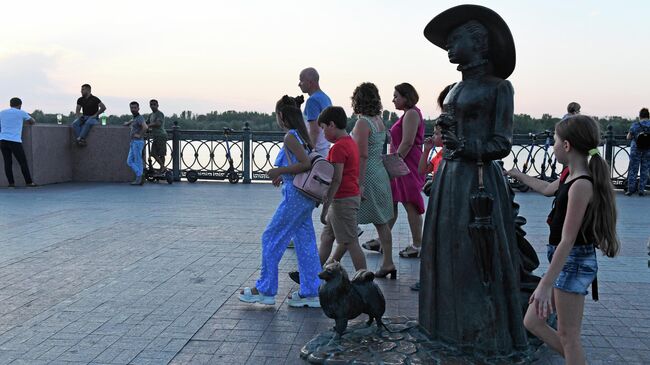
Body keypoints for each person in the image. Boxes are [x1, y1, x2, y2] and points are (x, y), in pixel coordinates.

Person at [420, 5, 529, 354]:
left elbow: (502, 143)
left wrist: (466, 146)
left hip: (477, 182)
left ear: (479, 43)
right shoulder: (452, 89)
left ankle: (482, 333)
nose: (450, 47)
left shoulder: (499, 88)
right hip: (450, 180)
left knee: (476, 259)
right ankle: (445, 327)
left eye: (456, 39)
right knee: (447, 253)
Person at [508, 115, 620, 364]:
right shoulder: (569, 175)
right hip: (565, 262)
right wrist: (518, 174)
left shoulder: (581, 184)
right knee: (533, 321)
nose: (553, 146)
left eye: (556, 141)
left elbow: (568, 240)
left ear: (567, 146)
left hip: (574, 262)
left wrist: (544, 284)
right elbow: (546, 188)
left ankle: (576, 359)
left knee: (569, 336)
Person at [239, 96, 321, 308]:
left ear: (282, 116)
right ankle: (312, 291)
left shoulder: (290, 137)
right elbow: (304, 162)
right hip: (305, 198)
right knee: (305, 242)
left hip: (294, 198)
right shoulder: (302, 136)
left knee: (270, 237)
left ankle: (265, 290)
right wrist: (282, 175)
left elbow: (303, 164)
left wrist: (279, 171)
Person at [374, 83, 426, 259]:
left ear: (406, 97)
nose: (393, 99)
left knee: (410, 204)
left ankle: (418, 245)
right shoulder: (408, 114)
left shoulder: (411, 113)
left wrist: (395, 161)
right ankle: (382, 239)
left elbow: (408, 142)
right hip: (405, 162)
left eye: (396, 96)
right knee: (394, 201)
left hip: (408, 164)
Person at [349, 83, 395, 279]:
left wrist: (359, 184)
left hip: (367, 175)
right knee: (381, 221)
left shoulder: (363, 123)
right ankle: (388, 263)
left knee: (346, 220)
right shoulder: (379, 121)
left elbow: (362, 155)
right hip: (380, 174)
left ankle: (331, 263)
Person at [317, 106, 367, 272]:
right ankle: (313, 272)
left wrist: (325, 205)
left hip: (342, 200)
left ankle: (364, 279)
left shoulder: (338, 147)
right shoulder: (350, 143)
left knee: (351, 242)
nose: (323, 133)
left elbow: (336, 179)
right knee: (327, 237)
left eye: (323, 128)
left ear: (332, 125)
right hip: (348, 197)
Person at [0, 98, 37, 188]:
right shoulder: (21, 112)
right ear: (20, 105)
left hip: (3, 140)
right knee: (22, 162)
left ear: (10, 104)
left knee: (7, 162)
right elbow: (32, 121)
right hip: (15, 141)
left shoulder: (2, 113)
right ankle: (29, 182)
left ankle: (11, 184)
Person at [298, 67, 332, 156]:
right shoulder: (326, 98)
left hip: (317, 151)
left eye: (301, 81)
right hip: (326, 149)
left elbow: (314, 130)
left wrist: (308, 151)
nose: (299, 84)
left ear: (310, 82)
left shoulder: (312, 101)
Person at [625, 108, 650, 196]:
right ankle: (641, 190)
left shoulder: (635, 125)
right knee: (645, 169)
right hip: (647, 150)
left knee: (633, 169)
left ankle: (631, 190)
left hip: (636, 149)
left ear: (640, 116)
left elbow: (628, 137)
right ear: (648, 115)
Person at [123, 102, 147, 185]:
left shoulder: (140, 118)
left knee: (137, 160)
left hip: (138, 142)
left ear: (138, 108)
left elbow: (145, 127)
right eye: (131, 108)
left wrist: (139, 135)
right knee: (129, 161)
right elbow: (132, 121)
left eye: (135, 108)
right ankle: (140, 175)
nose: (133, 109)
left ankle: (139, 179)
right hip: (133, 142)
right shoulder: (135, 118)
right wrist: (127, 123)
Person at [146, 99, 168, 172]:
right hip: (155, 136)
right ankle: (163, 167)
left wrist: (148, 126)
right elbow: (146, 123)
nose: (153, 106)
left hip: (161, 135)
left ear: (157, 105)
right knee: (153, 153)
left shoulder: (160, 114)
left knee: (162, 154)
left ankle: (162, 169)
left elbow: (158, 124)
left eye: (154, 104)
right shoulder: (151, 115)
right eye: (151, 104)